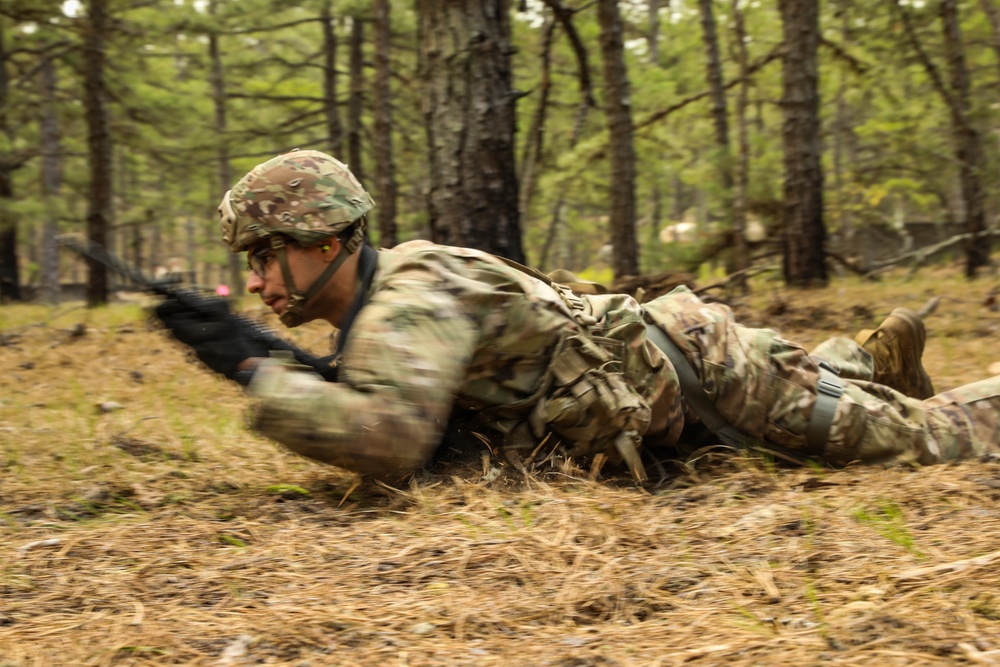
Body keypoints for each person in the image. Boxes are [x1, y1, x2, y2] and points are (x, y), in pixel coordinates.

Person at [155, 150, 999, 482]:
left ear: (328, 238)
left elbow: (389, 439)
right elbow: (399, 399)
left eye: (269, 254)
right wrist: (281, 361)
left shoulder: (413, 296)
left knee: (935, 444)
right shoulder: (384, 306)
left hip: (721, 383)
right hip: (679, 392)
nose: (261, 278)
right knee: (837, 394)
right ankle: (865, 359)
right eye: (251, 262)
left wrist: (253, 365)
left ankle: (873, 376)